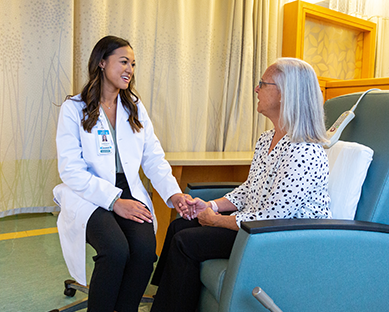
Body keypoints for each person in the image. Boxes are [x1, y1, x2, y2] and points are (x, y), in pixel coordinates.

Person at [150, 57, 332, 312]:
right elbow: (250, 190)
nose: (256, 89)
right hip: (254, 228)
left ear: (284, 94)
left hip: (282, 239)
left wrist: (215, 220)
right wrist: (210, 205)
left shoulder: (305, 150)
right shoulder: (267, 138)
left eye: (262, 84)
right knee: (178, 225)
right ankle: (164, 301)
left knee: (186, 241)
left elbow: (271, 218)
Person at [53, 35, 191, 312]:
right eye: (123, 61)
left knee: (143, 252)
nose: (130, 69)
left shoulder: (134, 108)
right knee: (115, 251)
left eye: (133, 64)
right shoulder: (74, 109)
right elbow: (70, 169)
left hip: (128, 188)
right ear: (102, 62)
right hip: (88, 192)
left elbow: (153, 157)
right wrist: (115, 201)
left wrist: (173, 193)